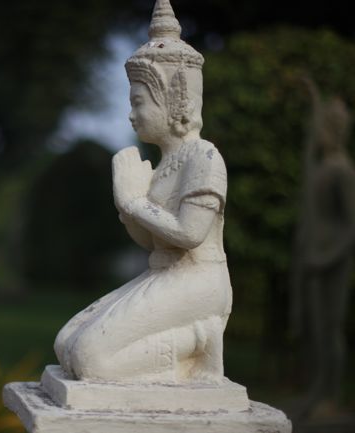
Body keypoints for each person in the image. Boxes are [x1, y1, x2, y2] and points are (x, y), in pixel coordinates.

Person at [54, 0, 231, 384]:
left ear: (173, 101)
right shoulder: (160, 167)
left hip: (200, 280)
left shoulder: (204, 157)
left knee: (90, 361)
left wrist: (134, 203)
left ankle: (200, 340)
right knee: (65, 342)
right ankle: (191, 344)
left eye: (138, 102)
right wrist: (127, 205)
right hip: (164, 273)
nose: (131, 114)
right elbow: (152, 243)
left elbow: (189, 234)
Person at [289, 78, 355, 417]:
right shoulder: (321, 167)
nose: (315, 133)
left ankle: (329, 396)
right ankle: (316, 392)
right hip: (312, 260)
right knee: (315, 331)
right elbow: (308, 150)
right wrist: (315, 98)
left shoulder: (343, 173)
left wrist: (325, 257)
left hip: (330, 262)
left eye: (320, 127)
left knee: (329, 330)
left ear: (333, 131)